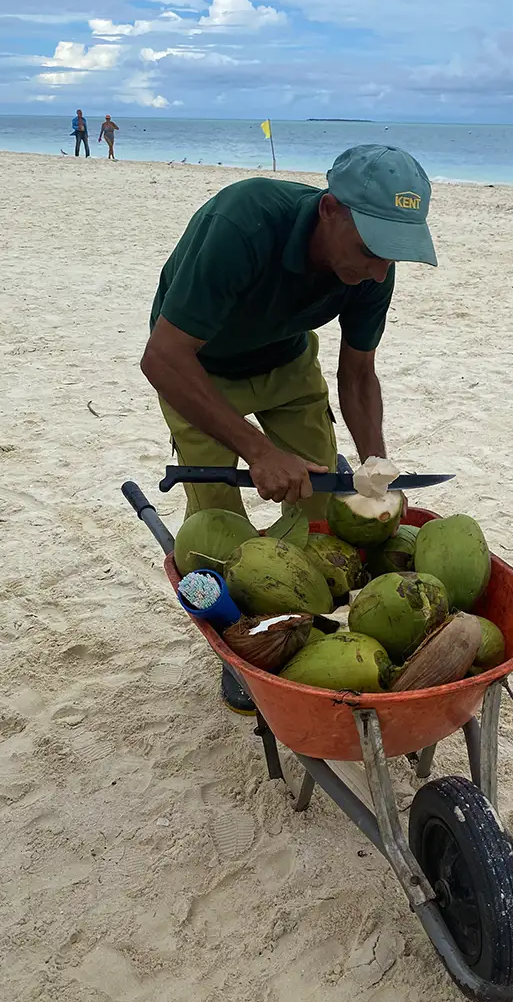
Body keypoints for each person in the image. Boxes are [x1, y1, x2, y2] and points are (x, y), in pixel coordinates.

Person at [140, 143, 437, 711]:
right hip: (196, 368)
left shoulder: (376, 270)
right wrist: (256, 449)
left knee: (319, 513)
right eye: (371, 246)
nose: (379, 269)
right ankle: (245, 648)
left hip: (287, 360)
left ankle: (303, 632)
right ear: (329, 210)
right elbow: (161, 358)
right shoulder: (243, 223)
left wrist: (374, 459)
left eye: (394, 253)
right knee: (216, 530)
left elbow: (358, 373)